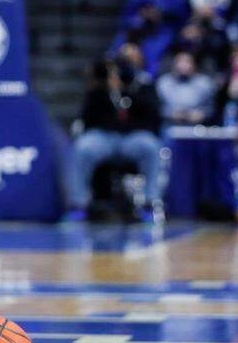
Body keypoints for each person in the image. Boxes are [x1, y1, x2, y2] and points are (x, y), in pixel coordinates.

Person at [64, 46, 164, 223]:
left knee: (150, 146)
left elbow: (152, 117)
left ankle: (149, 203)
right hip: (105, 137)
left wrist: (128, 92)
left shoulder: (145, 85)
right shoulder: (100, 86)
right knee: (83, 147)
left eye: (132, 59)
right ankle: (77, 205)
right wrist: (102, 88)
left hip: (133, 137)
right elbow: (87, 119)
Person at [156, 51, 215, 126]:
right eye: (180, 62)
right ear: (174, 65)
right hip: (170, 126)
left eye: (187, 62)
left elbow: (211, 108)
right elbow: (157, 108)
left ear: (194, 65)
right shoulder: (164, 83)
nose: (184, 65)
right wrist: (170, 114)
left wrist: (202, 114)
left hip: (197, 127)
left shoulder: (205, 83)